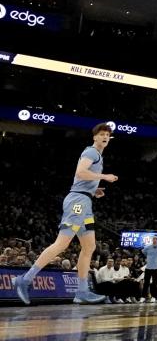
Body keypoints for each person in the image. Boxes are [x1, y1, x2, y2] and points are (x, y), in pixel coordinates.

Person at [13, 123, 117, 305]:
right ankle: (25, 279)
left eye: (107, 135)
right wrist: (104, 177)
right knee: (62, 243)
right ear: (95, 137)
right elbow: (81, 172)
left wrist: (94, 190)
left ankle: (82, 291)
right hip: (77, 202)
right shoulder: (91, 152)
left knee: (89, 247)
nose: (105, 137)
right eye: (101, 134)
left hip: (85, 201)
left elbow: (83, 178)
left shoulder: (98, 155)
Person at [140, 235, 157, 303]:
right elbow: (143, 252)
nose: (154, 240)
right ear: (152, 240)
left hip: (156, 268)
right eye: (153, 239)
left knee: (154, 283)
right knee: (146, 283)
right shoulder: (148, 247)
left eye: (156, 239)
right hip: (148, 267)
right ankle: (143, 297)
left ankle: (153, 297)